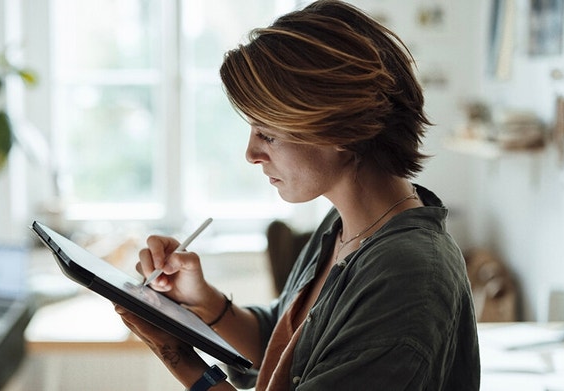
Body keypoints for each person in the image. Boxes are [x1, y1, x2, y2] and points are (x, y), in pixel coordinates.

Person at [115, 1, 480, 390]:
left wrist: (178, 356)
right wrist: (202, 300)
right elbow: (284, 346)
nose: (251, 154)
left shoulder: (407, 273)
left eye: (267, 134)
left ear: (340, 129)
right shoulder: (344, 227)